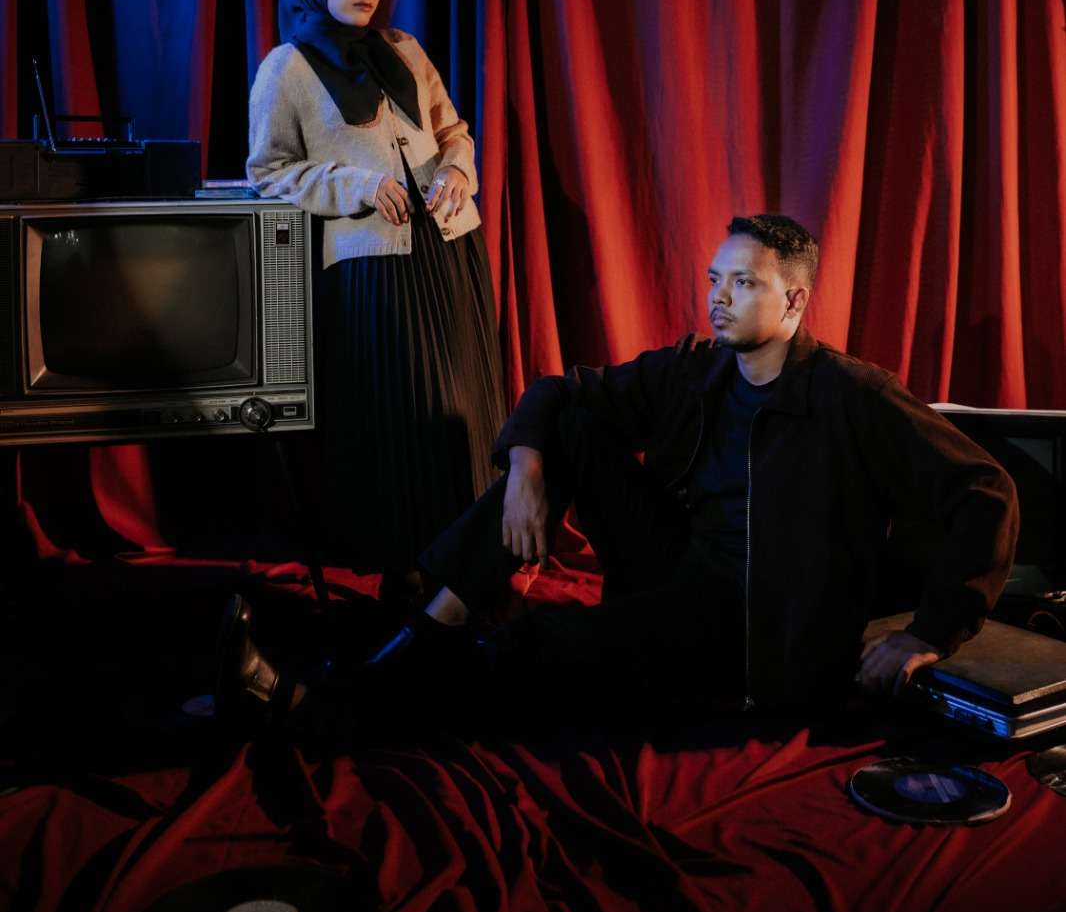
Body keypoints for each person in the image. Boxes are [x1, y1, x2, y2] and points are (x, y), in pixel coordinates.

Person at [217, 214, 1019, 739]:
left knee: (534, 650)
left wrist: (928, 632)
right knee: (568, 426)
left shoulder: (852, 396)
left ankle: (338, 709)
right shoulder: (700, 371)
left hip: (752, 629)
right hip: (677, 569)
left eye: (744, 284)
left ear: (796, 300)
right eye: (715, 279)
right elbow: (563, 392)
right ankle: (437, 620)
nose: (719, 298)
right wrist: (526, 466)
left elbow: (986, 492)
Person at [246, 0, 506, 595]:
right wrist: (357, 186)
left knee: (467, 407)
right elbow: (270, 171)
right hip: (373, 268)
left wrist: (458, 170)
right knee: (404, 418)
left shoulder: (404, 49)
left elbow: (453, 131)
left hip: (450, 249)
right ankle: (410, 579)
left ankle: (473, 566)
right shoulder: (286, 68)